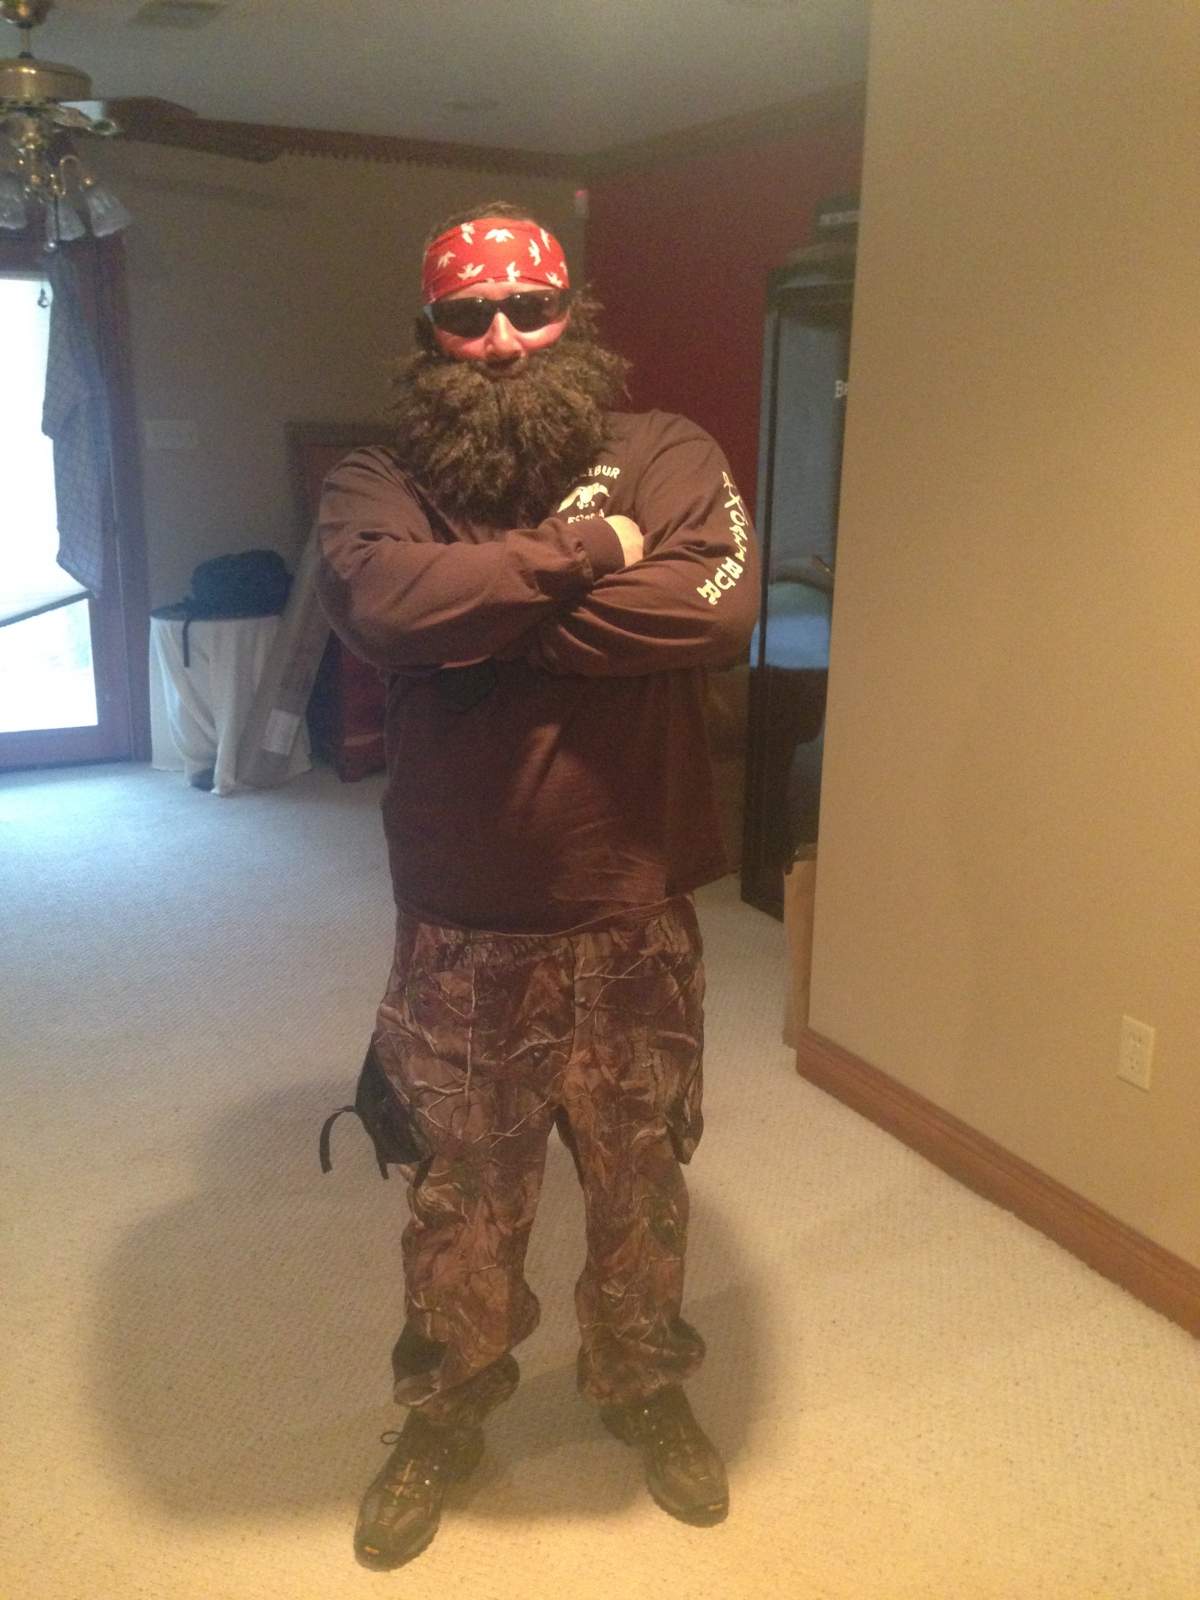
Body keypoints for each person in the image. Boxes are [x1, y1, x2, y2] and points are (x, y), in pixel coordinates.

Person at [316, 200, 759, 1570]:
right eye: (470, 316)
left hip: (631, 901)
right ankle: (446, 1409)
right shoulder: (378, 477)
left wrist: (489, 625)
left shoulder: (667, 451)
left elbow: (717, 606)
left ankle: (640, 1379)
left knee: (642, 1179)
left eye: (530, 309)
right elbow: (382, 609)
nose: (504, 338)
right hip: (463, 918)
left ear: (574, 318)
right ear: (432, 333)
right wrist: (589, 556)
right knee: (462, 1200)